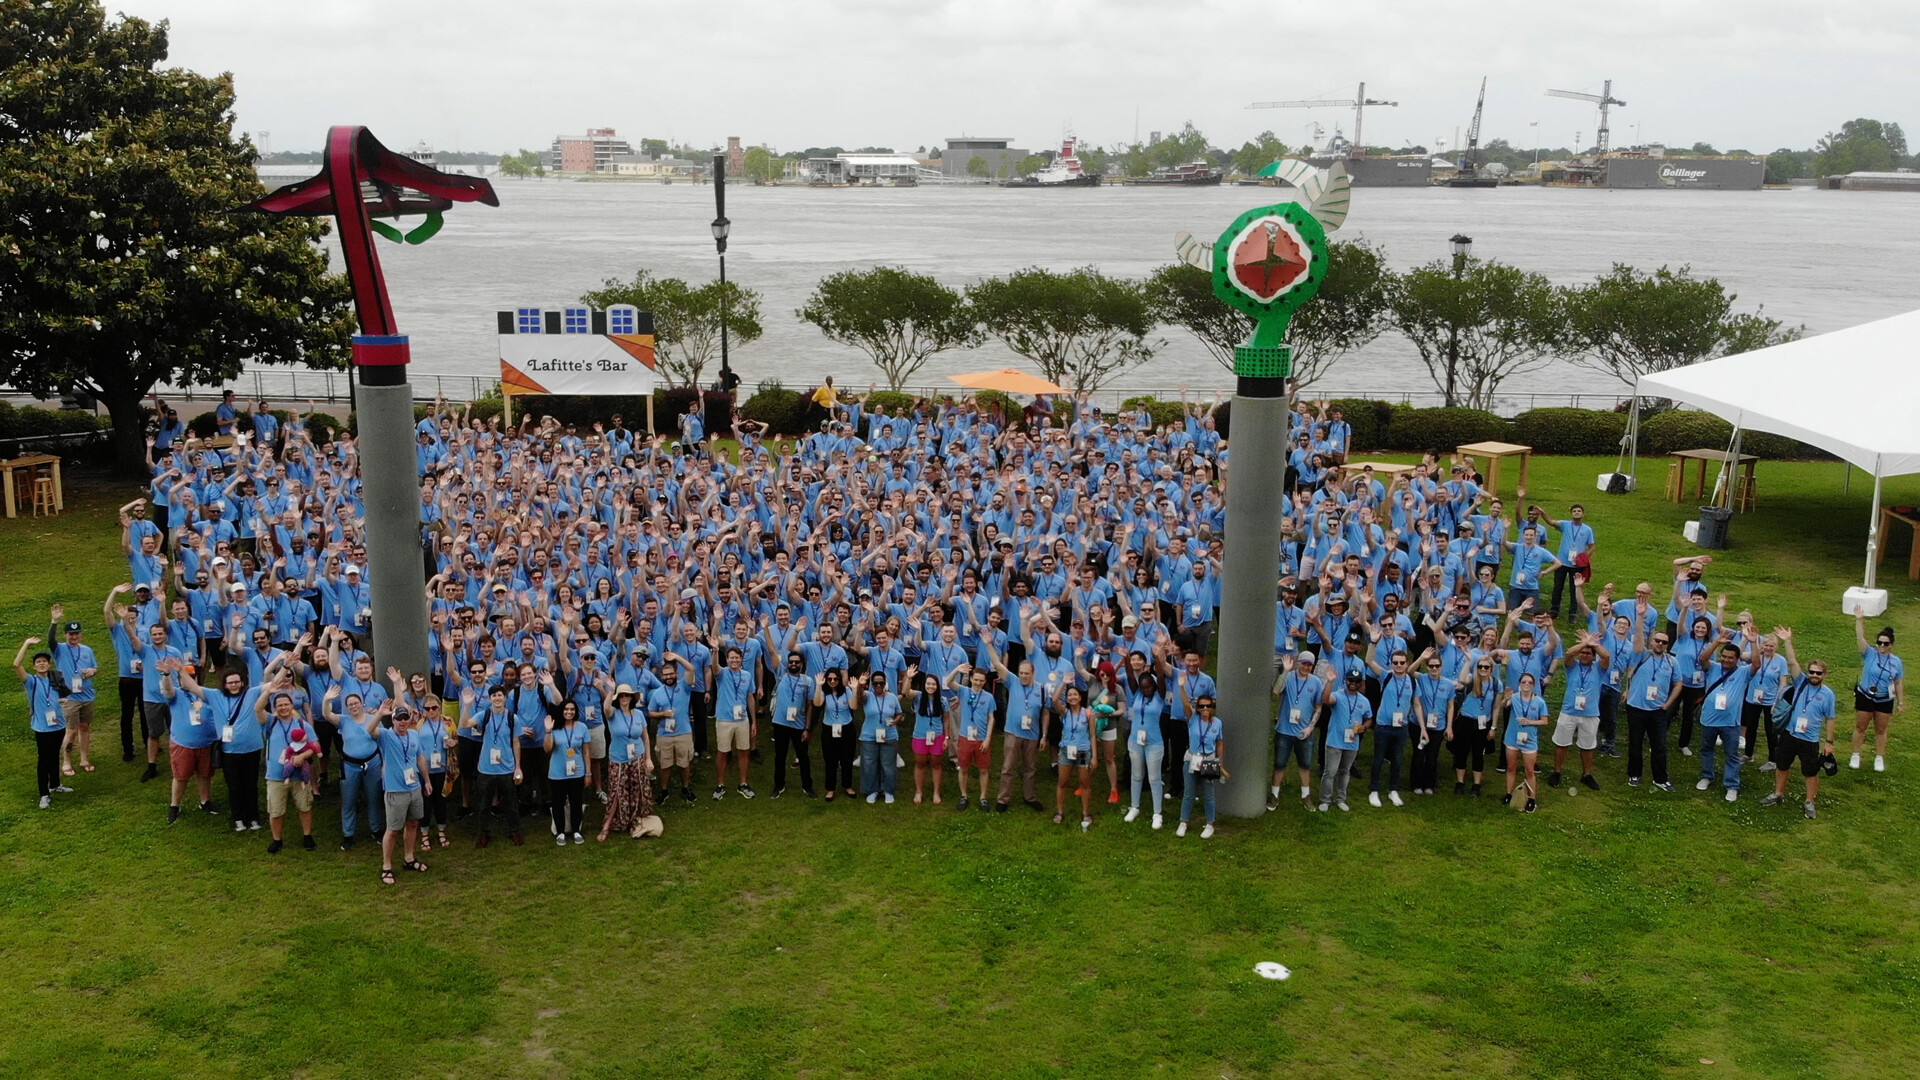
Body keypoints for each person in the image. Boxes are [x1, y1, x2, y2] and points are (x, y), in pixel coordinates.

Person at [1761, 651, 1837, 819]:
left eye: (1818, 673)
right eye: (1812, 672)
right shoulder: (1801, 682)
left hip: (1810, 739)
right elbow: (1791, 661)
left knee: (1811, 772)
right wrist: (1788, 641)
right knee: (1782, 765)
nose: (1814, 675)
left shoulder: (1828, 695)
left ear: (1824, 675)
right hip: (1790, 734)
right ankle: (1778, 794)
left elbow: (1830, 719)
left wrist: (1829, 742)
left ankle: (1809, 802)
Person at [366, 702, 432, 884]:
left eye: (405, 718)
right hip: (396, 790)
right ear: (393, 720)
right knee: (393, 830)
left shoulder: (414, 735)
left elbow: (420, 757)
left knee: (413, 823)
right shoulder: (386, 735)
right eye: (398, 718)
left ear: (410, 719)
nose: (402, 722)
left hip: (414, 788)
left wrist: (426, 780)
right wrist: (380, 714)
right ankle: (386, 866)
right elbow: (370, 730)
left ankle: (409, 858)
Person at [256, 673, 318, 852]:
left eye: (286, 704)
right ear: (275, 708)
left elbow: (314, 746)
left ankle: (307, 836)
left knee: (305, 806)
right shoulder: (269, 722)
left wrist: (303, 756)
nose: (283, 707)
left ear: (292, 705)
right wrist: (268, 692)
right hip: (275, 776)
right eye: (279, 705)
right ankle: (277, 840)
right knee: (276, 810)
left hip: (300, 775)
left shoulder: (302, 724)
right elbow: (258, 709)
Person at [1547, 631, 1611, 793]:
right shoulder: (1572, 667)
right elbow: (1569, 654)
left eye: (1588, 653)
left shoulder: (1599, 669)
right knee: (1561, 743)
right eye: (1582, 652)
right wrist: (1584, 643)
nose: (1584, 655)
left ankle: (1587, 774)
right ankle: (1557, 771)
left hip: (1590, 713)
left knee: (1588, 746)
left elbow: (1606, 656)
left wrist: (1594, 644)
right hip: (1569, 711)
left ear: (1593, 656)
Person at [1623, 630, 1684, 791]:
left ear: (1667, 645)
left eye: (1664, 642)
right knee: (1635, 744)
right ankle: (1634, 774)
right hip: (1636, 708)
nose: (1660, 644)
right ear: (1651, 641)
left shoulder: (1672, 662)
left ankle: (1660, 779)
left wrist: (1668, 703)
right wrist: (1641, 618)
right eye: (1657, 640)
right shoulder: (1641, 655)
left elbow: (1678, 684)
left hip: (1658, 710)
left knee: (1659, 746)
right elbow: (1637, 641)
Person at [1693, 636, 1751, 801]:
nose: (1726, 660)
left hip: (1730, 722)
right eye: (1724, 656)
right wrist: (1717, 642)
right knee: (1707, 749)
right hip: (1709, 719)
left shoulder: (1743, 672)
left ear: (1737, 659)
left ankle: (1732, 785)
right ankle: (1707, 776)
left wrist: (1753, 642)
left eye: (1730, 658)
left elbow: (1757, 665)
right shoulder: (1713, 667)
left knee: (1732, 754)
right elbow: (1703, 658)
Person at [16, 637, 72, 809]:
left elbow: (57, 696)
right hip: (42, 727)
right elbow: (17, 665)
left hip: (58, 724)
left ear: (49, 664)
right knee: (44, 760)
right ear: (34, 666)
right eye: (38, 662)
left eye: (44, 662)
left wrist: (62, 700)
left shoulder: (55, 678)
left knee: (55, 755)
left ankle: (55, 784)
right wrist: (26, 644)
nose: (41, 664)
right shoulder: (31, 681)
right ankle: (44, 794)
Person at [599, 682, 657, 839]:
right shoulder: (613, 714)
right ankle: (607, 825)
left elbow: (645, 737)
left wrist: (648, 758)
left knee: (638, 789)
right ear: (618, 699)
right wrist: (611, 691)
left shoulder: (638, 715)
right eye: (621, 696)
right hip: (618, 760)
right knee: (617, 791)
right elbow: (606, 708)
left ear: (632, 698)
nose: (624, 698)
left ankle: (635, 820)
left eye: (627, 695)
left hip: (637, 758)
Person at [1850, 612, 1904, 772]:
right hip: (1866, 696)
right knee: (1860, 727)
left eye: (1885, 643)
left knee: (1881, 729)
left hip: (1884, 699)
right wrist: (1859, 620)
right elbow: (1860, 638)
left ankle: (1879, 757)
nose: (1881, 646)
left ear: (1891, 645)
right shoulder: (1870, 654)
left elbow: (1898, 682)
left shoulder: (1896, 662)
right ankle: (1856, 754)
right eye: (1879, 642)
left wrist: (1900, 702)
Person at [472, 683, 525, 847]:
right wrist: (467, 706)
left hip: (507, 767)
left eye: (500, 695)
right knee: (483, 805)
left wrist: (518, 767)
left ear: (505, 698)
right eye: (494, 695)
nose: (497, 698)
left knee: (511, 804)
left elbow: (516, 742)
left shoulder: (512, 718)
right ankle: (484, 833)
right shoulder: (484, 715)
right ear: (490, 698)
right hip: (486, 768)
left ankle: (515, 831)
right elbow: (465, 724)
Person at [1269, 652, 1322, 811]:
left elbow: (1318, 707)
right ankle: (1274, 795)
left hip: (1304, 732)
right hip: (1284, 730)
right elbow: (1276, 691)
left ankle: (1306, 796)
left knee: (1305, 765)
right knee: (1279, 764)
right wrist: (1285, 671)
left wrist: (1310, 727)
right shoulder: (1289, 677)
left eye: (1309, 665)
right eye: (1304, 663)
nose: (1306, 667)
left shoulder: (1316, 682)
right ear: (1298, 663)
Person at [48, 608, 97, 775]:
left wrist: (92, 671)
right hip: (70, 697)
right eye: (71, 634)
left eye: (76, 633)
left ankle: (84, 759)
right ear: (65, 635)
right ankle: (66, 762)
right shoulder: (60, 649)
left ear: (80, 634)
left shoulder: (87, 650)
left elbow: (95, 667)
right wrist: (54, 622)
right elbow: (50, 640)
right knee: (71, 730)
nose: (74, 637)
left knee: (85, 727)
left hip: (87, 695)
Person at [1319, 671, 1373, 812]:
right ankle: (1325, 800)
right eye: (1350, 680)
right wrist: (1330, 682)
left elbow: (1369, 718)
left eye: (1356, 681)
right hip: (1334, 741)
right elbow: (1326, 699)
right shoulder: (1338, 695)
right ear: (1346, 681)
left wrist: (1364, 727)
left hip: (1352, 742)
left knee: (1345, 771)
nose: (1353, 683)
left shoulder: (1364, 701)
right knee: (1330, 772)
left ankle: (1341, 799)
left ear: (1360, 683)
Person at [1177, 692, 1226, 838]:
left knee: (1209, 794)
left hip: (1209, 760)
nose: (1205, 709)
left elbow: (1219, 743)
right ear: (1198, 708)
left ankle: (1210, 824)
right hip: (1192, 759)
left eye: (1208, 706)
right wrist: (1181, 687)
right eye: (1202, 706)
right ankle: (1183, 822)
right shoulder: (1193, 718)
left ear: (1212, 708)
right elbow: (1185, 704)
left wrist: (1220, 763)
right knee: (1189, 793)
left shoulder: (1217, 723)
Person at [712, 645, 756, 800]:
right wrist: (715, 651)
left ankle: (743, 784)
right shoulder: (722, 673)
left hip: (742, 720)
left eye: (737, 658)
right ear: (727, 659)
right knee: (722, 752)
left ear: (741, 659)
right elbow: (715, 667)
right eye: (731, 658)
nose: (734, 660)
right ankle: (720, 785)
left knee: (744, 751)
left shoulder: (747, 675)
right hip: (724, 720)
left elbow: (750, 697)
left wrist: (753, 721)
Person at [1125, 671, 1169, 827]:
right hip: (1135, 741)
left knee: (1154, 778)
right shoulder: (1137, 694)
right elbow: (1130, 677)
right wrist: (1126, 660)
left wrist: (1158, 660)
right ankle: (1134, 807)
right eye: (1143, 687)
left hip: (1154, 743)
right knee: (1136, 775)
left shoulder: (1159, 696)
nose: (1146, 690)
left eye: (1148, 686)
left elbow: (1162, 679)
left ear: (1154, 686)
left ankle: (1157, 813)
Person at [544, 700, 591, 844]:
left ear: (576, 711)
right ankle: (560, 832)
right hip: (557, 772)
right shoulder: (555, 727)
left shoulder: (582, 727)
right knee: (558, 803)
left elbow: (586, 752)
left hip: (577, 772)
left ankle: (576, 830)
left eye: (572, 709)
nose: (569, 712)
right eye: (566, 709)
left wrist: (588, 773)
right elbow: (547, 749)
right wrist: (548, 731)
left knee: (576, 801)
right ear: (561, 711)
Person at [951, 664, 997, 811]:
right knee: (963, 768)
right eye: (976, 680)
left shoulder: (989, 697)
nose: (978, 683)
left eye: (981, 681)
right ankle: (964, 795)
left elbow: (991, 718)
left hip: (981, 739)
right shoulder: (964, 691)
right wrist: (957, 670)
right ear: (971, 679)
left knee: (983, 769)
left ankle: (983, 797)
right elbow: (949, 683)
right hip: (965, 737)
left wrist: (988, 739)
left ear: (985, 681)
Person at [1502, 672, 1549, 813]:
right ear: (1520, 684)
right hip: (1512, 738)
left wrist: (1530, 722)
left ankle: (1532, 799)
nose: (1526, 684)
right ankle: (1509, 794)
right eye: (1524, 682)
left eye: (1529, 682)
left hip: (1529, 740)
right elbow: (1503, 705)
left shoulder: (1539, 702)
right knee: (1511, 767)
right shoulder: (1514, 697)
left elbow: (1545, 721)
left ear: (1534, 685)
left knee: (1529, 770)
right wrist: (1505, 699)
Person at [1053, 683, 1096, 830]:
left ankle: (1086, 813)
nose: (1072, 697)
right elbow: (1054, 700)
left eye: (1075, 694)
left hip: (1083, 751)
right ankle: (1060, 811)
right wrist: (1064, 684)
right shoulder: (1064, 712)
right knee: (1062, 782)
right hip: (1066, 751)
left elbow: (1092, 735)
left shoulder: (1088, 714)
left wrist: (1094, 756)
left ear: (1080, 697)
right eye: (1069, 695)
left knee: (1084, 783)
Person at [855, 670, 901, 803]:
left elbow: (899, 713)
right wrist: (860, 685)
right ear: (872, 684)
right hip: (869, 736)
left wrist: (896, 721)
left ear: (885, 683)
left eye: (881, 683)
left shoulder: (892, 697)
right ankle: (872, 790)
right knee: (869, 764)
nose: (878, 685)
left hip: (889, 735)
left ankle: (888, 790)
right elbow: (859, 697)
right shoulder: (868, 695)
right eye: (875, 683)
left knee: (888, 765)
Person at [814, 667, 859, 802]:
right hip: (829, 729)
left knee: (847, 759)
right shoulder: (824, 692)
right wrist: (818, 686)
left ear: (839, 679)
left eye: (835, 679)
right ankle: (830, 788)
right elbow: (817, 703)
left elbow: (854, 706)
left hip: (846, 728)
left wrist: (855, 690)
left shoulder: (847, 691)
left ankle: (847, 786)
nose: (833, 681)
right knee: (830, 760)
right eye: (830, 679)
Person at [909, 670, 949, 805]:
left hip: (937, 736)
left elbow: (946, 720)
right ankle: (918, 791)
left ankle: (936, 792)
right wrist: (908, 678)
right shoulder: (918, 697)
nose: (930, 686)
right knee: (920, 764)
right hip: (920, 736)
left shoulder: (943, 701)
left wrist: (947, 737)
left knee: (936, 764)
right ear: (924, 685)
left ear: (937, 686)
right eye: (928, 684)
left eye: (933, 684)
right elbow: (907, 692)